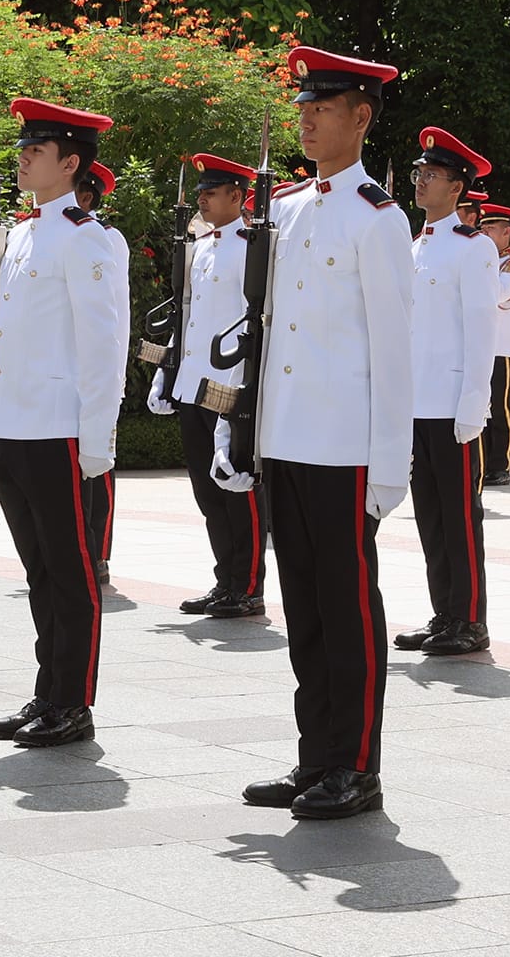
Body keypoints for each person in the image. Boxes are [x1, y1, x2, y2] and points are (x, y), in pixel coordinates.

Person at [216, 47, 414, 820]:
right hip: (287, 439)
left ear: (360, 118)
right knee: (303, 605)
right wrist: (247, 429)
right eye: (303, 106)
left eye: (322, 107)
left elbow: (394, 349)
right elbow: (266, 332)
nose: (306, 118)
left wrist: (390, 469)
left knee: (348, 607)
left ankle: (355, 765)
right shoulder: (289, 209)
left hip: (344, 445)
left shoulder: (379, 219)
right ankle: (314, 758)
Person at [0, 98, 124, 747]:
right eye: (23, 147)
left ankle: (72, 702)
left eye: (36, 150)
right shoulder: (22, 234)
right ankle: (48, 690)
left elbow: (103, 347)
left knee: (70, 573)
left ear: (70, 163)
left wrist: (97, 443)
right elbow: (1, 335)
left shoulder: (87, 237)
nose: (23, 156)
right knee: (39, 569)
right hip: (15, 427)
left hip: (58, 430)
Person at [147, 153, 265, 618]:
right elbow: (188, 313)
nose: (202, 199)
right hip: (196, 382)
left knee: (237, 486)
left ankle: (248, 586)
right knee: (208, 491)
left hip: (229, 384)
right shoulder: (202, 247)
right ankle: (224, 580)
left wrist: (239, 391)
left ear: (237, 196)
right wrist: (168, 369)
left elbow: (252, 323)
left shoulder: (252, 249)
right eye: (201, 193)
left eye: (211, 193)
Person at [399, 127, 499, 658]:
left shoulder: (473, 247)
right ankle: (444, 614)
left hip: (452, 405)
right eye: (419, 173)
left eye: (431, 175)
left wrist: (473, 405)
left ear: (457, 187)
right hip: (415, 404)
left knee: (460, 518)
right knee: (430, 516)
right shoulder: (413, 246)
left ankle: (470, 619)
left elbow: (481, 328)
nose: (421, 182)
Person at [75, 160, 130, 584]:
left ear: (87, 196)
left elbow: (116, 315)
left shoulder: (106, 238)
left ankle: (99, 552)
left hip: (95, 369)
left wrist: (115, 377)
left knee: (98, 468)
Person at [479, 203, 510, 486]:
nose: (483, 231)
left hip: (502, 347)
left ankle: (501, 465)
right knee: (479, 405)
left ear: (506, 232)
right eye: (483, 226)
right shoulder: (480, 260)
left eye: (490, 228)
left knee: (499, 406)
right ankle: (483, 461)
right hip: (480, 345)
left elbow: (498, 296)